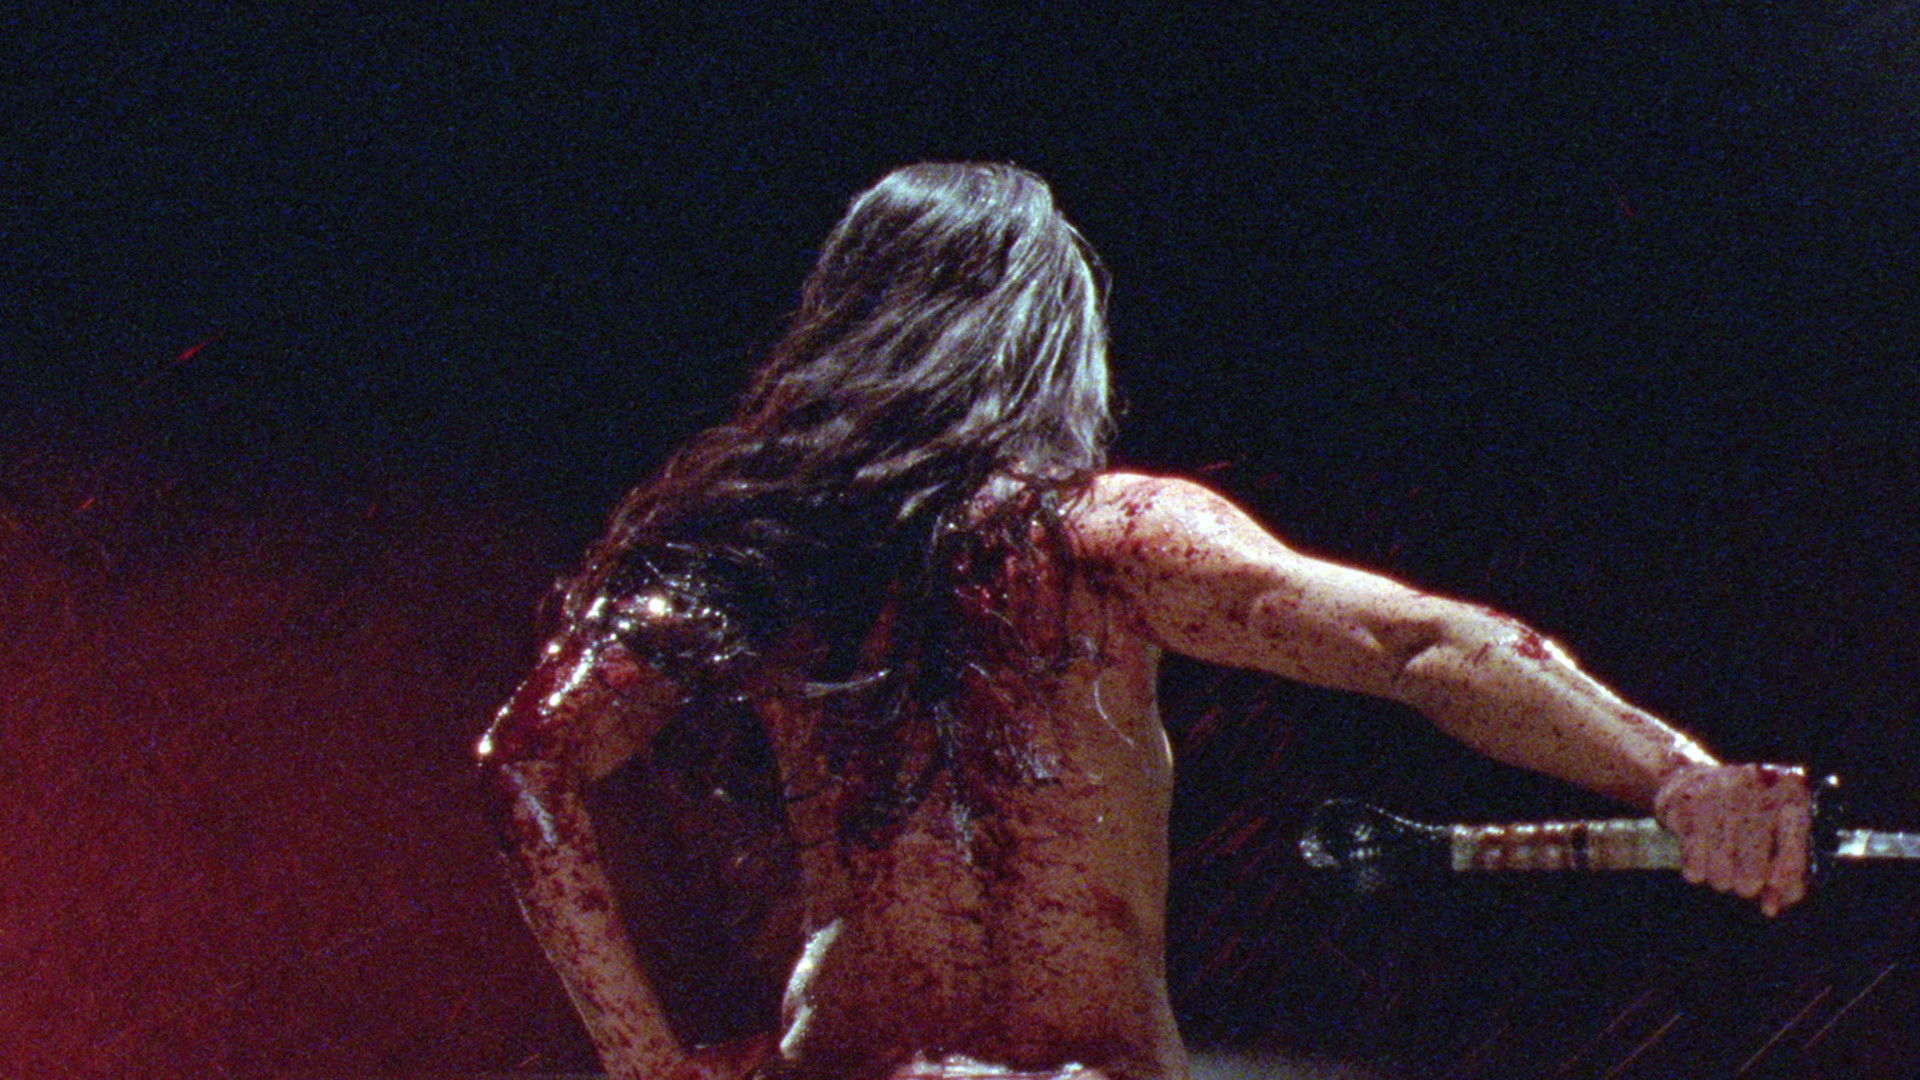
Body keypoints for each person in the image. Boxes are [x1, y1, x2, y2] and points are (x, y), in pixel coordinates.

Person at [476, 162, 1812, 1080]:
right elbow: (1425, 645)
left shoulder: (776, 555)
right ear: (1047, 341)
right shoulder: (1106, 541)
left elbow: (528, 759)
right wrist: (1677, 775)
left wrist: (648, 1069)